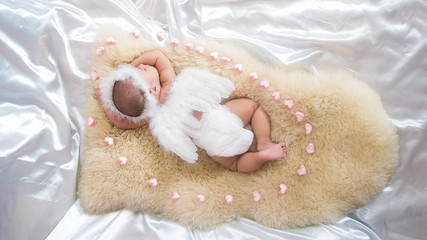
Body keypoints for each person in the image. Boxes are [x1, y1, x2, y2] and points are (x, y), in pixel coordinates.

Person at [95, 50, 286, 172]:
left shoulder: (152, 118)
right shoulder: (171, 84)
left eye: (140, 66)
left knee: (236, 165)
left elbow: (121, 121)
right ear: (153, 89)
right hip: (221, 118)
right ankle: (263, 142)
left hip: (213, 147)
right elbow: (157, 56)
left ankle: (259, 157)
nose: (143, 65)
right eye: (143, 70)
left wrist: (105, 100)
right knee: (253, 107)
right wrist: (133, 65)